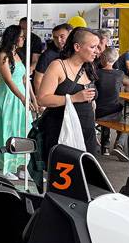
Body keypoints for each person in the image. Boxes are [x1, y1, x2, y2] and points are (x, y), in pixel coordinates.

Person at [37, 27, 101, 160]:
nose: (97, 51)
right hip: (61, 130)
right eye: (93, 47)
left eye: (97, 47)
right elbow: (42, 99)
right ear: (77, 47)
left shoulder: (89, 67)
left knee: (86, 174)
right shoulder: (58, 66)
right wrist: (73, 98)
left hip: (86, 130)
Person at [0, 25, 33, 180]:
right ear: (13, 37)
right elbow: (8, 80)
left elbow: (25, 79)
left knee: (22, 130)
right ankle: (3, 166)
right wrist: (23, 97)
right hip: (8, 98)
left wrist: (33, 98)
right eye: (21, 36)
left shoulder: (17, 55)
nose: (23, 39)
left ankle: (20, 165)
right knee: (6, 131)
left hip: (20, 97)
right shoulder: (2, 56)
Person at [95, 48, 126, 159]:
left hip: (97, 112)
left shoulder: (96, 73)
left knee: (105, 119)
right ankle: (119, 146)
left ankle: (105, 148)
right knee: (124, 124)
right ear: (116, 59)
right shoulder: (120, 74)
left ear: (103, 58)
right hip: (113, 111)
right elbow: (128, 84)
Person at [33, 23, 72, 94]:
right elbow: (38, 80)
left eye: (62, 36)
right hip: (52, 98)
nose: (59, 40)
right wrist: (41, 101)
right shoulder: (47, 55)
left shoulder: (74, 52)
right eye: (55, 37)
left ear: (70, 35)